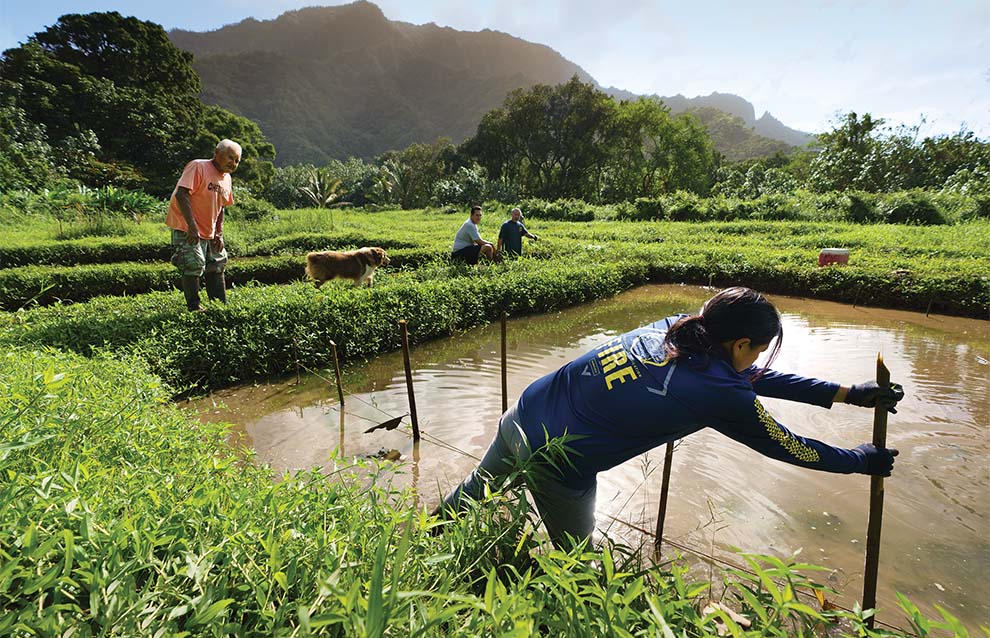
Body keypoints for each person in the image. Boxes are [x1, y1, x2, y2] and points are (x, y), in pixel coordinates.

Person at [437, 287, 904, 548]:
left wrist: (848, 394)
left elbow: (750, 377)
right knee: (576, 561)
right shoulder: (718, 390)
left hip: (523, 412)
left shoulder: (681, 326)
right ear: (740, 343)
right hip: (559, 464)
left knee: (468, 499)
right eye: (758, 348)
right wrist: (858, 460)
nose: (759, 358)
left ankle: (420, 539)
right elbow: (787, 445)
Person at [165, 138, 242, 311]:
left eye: (237, 160)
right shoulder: (198, 166)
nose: (233, 163)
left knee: (217, 262)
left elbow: (221, 207)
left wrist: (218, 233)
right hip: (187, 228)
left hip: (209, 230)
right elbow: (181, 194)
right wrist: (192, 226)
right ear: (217, 153)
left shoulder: (227, 178)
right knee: (193, 264)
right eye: (230, 157)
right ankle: (194, 307)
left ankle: (219, 305)